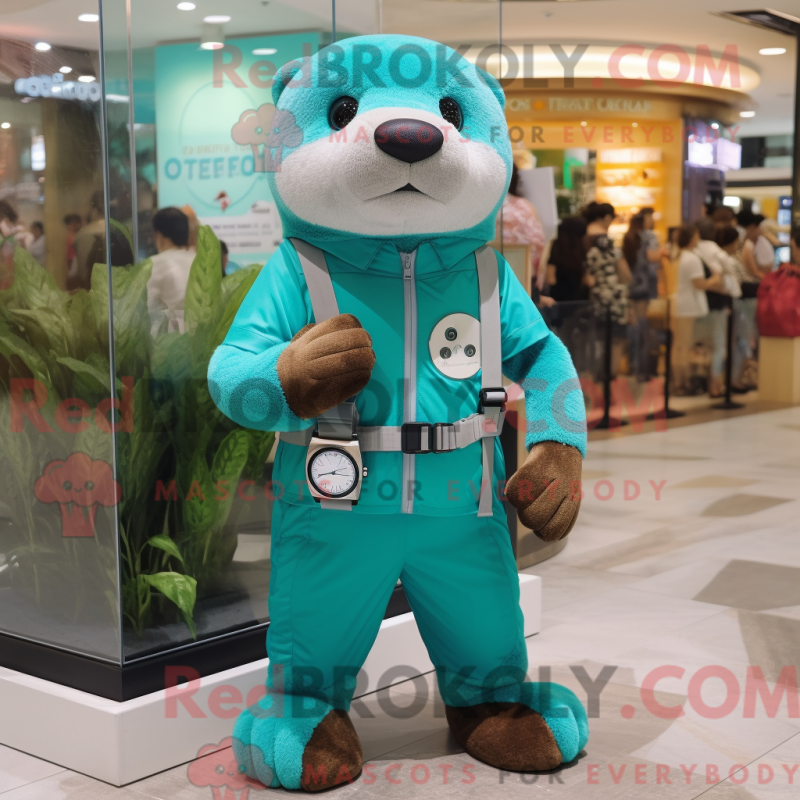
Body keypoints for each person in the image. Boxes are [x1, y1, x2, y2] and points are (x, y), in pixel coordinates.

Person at [672, 223, 723, 395]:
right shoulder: (691, 258)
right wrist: (715, 278)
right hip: (689, 308)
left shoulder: (680, 256)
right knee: (683, 347)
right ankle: (682, 383)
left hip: (683, 306)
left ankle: (681, 382)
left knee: (680, 347)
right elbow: (699, 283)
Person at [582, 201, 630, 379]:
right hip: (612, 295)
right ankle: (610, 380)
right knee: (615, 339)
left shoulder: (583, 238)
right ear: (606, 218)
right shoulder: (607, 242)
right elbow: (624, 273)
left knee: (596, 339)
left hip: (591, 296)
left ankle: (594, 378)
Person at [496, 164, 547, 297]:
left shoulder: (484, 207)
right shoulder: (526, 207)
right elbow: (540, 247)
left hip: (491, 277)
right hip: (525, 275)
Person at [717, 225, 757, 392]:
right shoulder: (729, 261)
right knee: (741, 342)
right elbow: (740, 285)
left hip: (733, 305)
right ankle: (733, 380)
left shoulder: (722, 258)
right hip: (740, 305)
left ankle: (729, 379)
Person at [624, 212, 661, 381]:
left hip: (632, 285)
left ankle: (632, 363)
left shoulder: (628, 236)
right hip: (645, 285)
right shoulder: (648, 236)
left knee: (633, 325)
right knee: (643, 325)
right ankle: (643, 366)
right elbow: (652, 256)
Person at [147, 206, 195, 335]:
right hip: (201, 337)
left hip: (170, 339)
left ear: (159, 236)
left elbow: (147, 307)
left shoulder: (155, 264)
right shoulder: (197, 260)